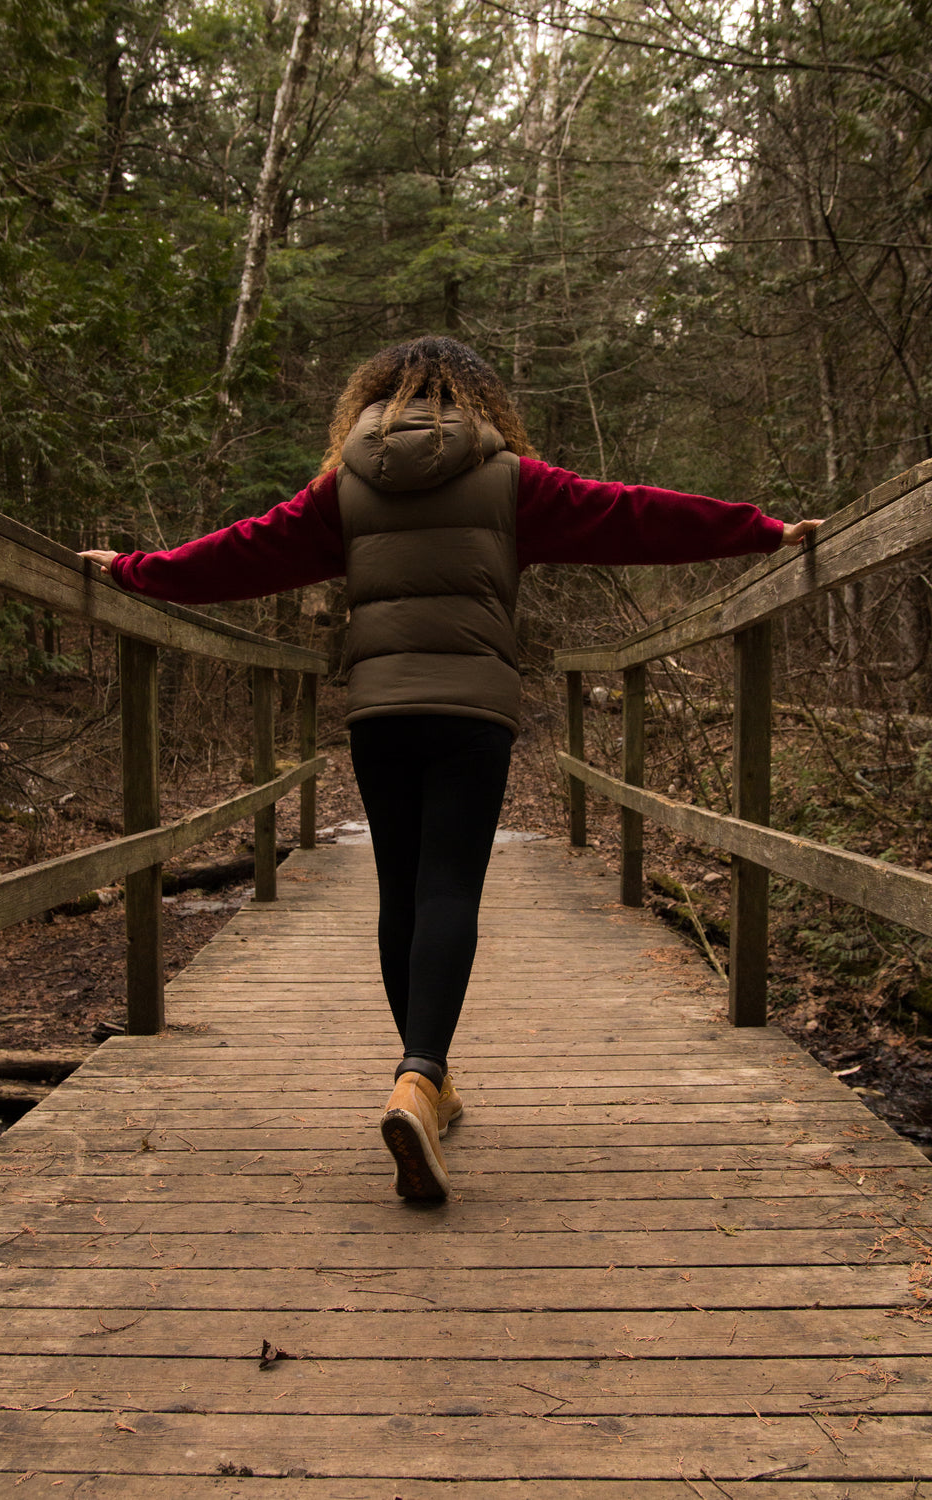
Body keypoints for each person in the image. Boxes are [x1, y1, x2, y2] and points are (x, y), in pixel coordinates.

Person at [81, 334, 820, 1203]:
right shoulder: (513, 481)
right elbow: (633, 514)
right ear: (476, 401)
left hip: (380, 711)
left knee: (402, 892)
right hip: (472, 710)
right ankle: (420, 1076)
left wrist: (135, 570)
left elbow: (242, 552)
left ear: (374, 398)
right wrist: (760, 530)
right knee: (449, 891)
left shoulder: (345, 489)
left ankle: (427, 1079)